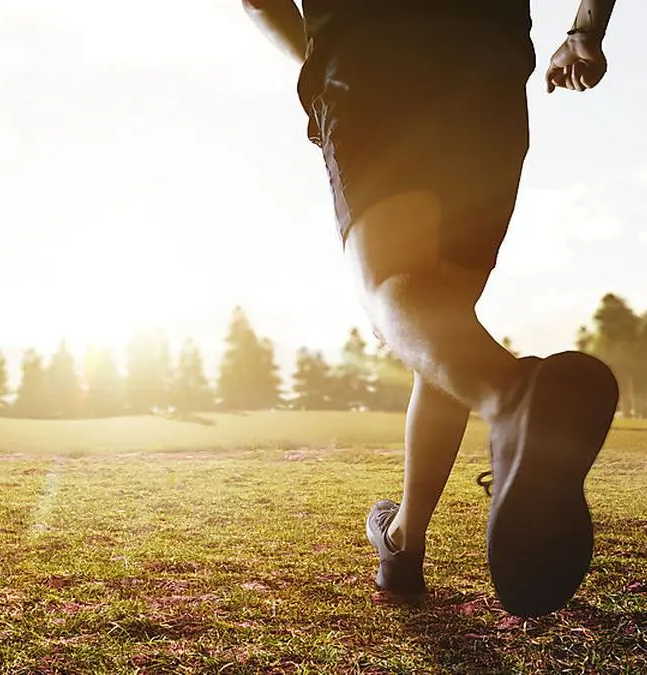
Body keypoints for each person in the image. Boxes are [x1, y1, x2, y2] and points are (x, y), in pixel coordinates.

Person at [242, 0, 621, 618]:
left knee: (390, 290)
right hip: (489, 68)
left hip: (368, 53)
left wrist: (315, 67)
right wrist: (586, 30)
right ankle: (404, 540)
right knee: (442, 321)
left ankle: (512, 395)